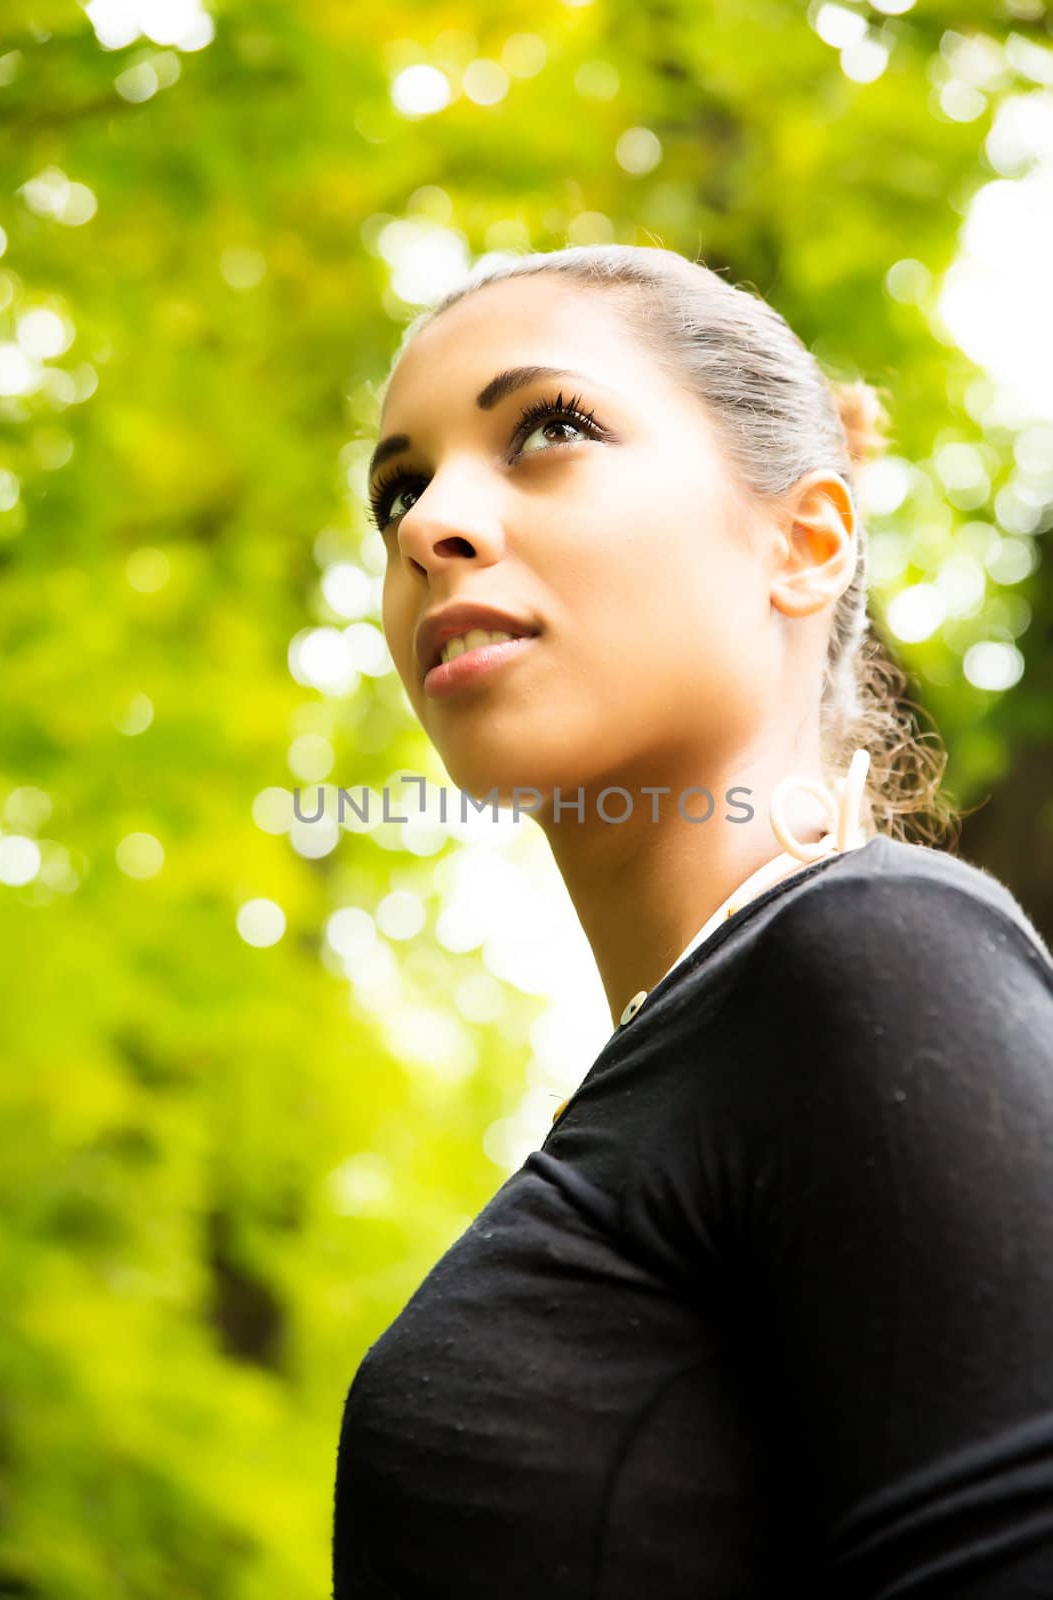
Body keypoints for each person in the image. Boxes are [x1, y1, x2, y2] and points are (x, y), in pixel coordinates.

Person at [331, 244, 1053, 1597]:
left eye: (549, 427)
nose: (431, 523)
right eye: (397, 489)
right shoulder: (691, 1068)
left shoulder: (877, 960)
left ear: (806, 541)